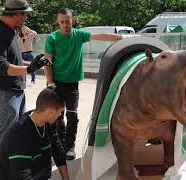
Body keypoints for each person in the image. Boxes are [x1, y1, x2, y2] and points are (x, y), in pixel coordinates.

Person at [44, 8, 123, 160]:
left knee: (72, 115)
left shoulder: (79, 34)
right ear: (58, 22)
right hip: (56, 83)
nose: (65, 24)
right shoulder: (52, 38)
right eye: (62, 22)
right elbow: (47, 62)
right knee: (58, 116)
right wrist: (50, 82)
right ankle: (60, 145)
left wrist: (121, 38)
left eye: (68, 21)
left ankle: (70, 147)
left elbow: (101, 36)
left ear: (72, 20)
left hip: (72, 83)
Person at [0, 0, 49, 169]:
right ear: (17, 14)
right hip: (5, 92)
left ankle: (9, 165)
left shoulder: (9, 31)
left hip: (16, 91)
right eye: (25, 14)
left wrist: (32, 64)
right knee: (6, 134)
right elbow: (1, 66)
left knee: (15, 132)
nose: (26, 17)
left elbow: (14, 60)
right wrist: (28, 70)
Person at [0, 87, 70, 180]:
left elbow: (58, 151)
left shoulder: (47, 123)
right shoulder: (19, 136)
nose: (60, 116)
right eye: (60, 113)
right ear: (51, 112)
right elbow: (22, 177)